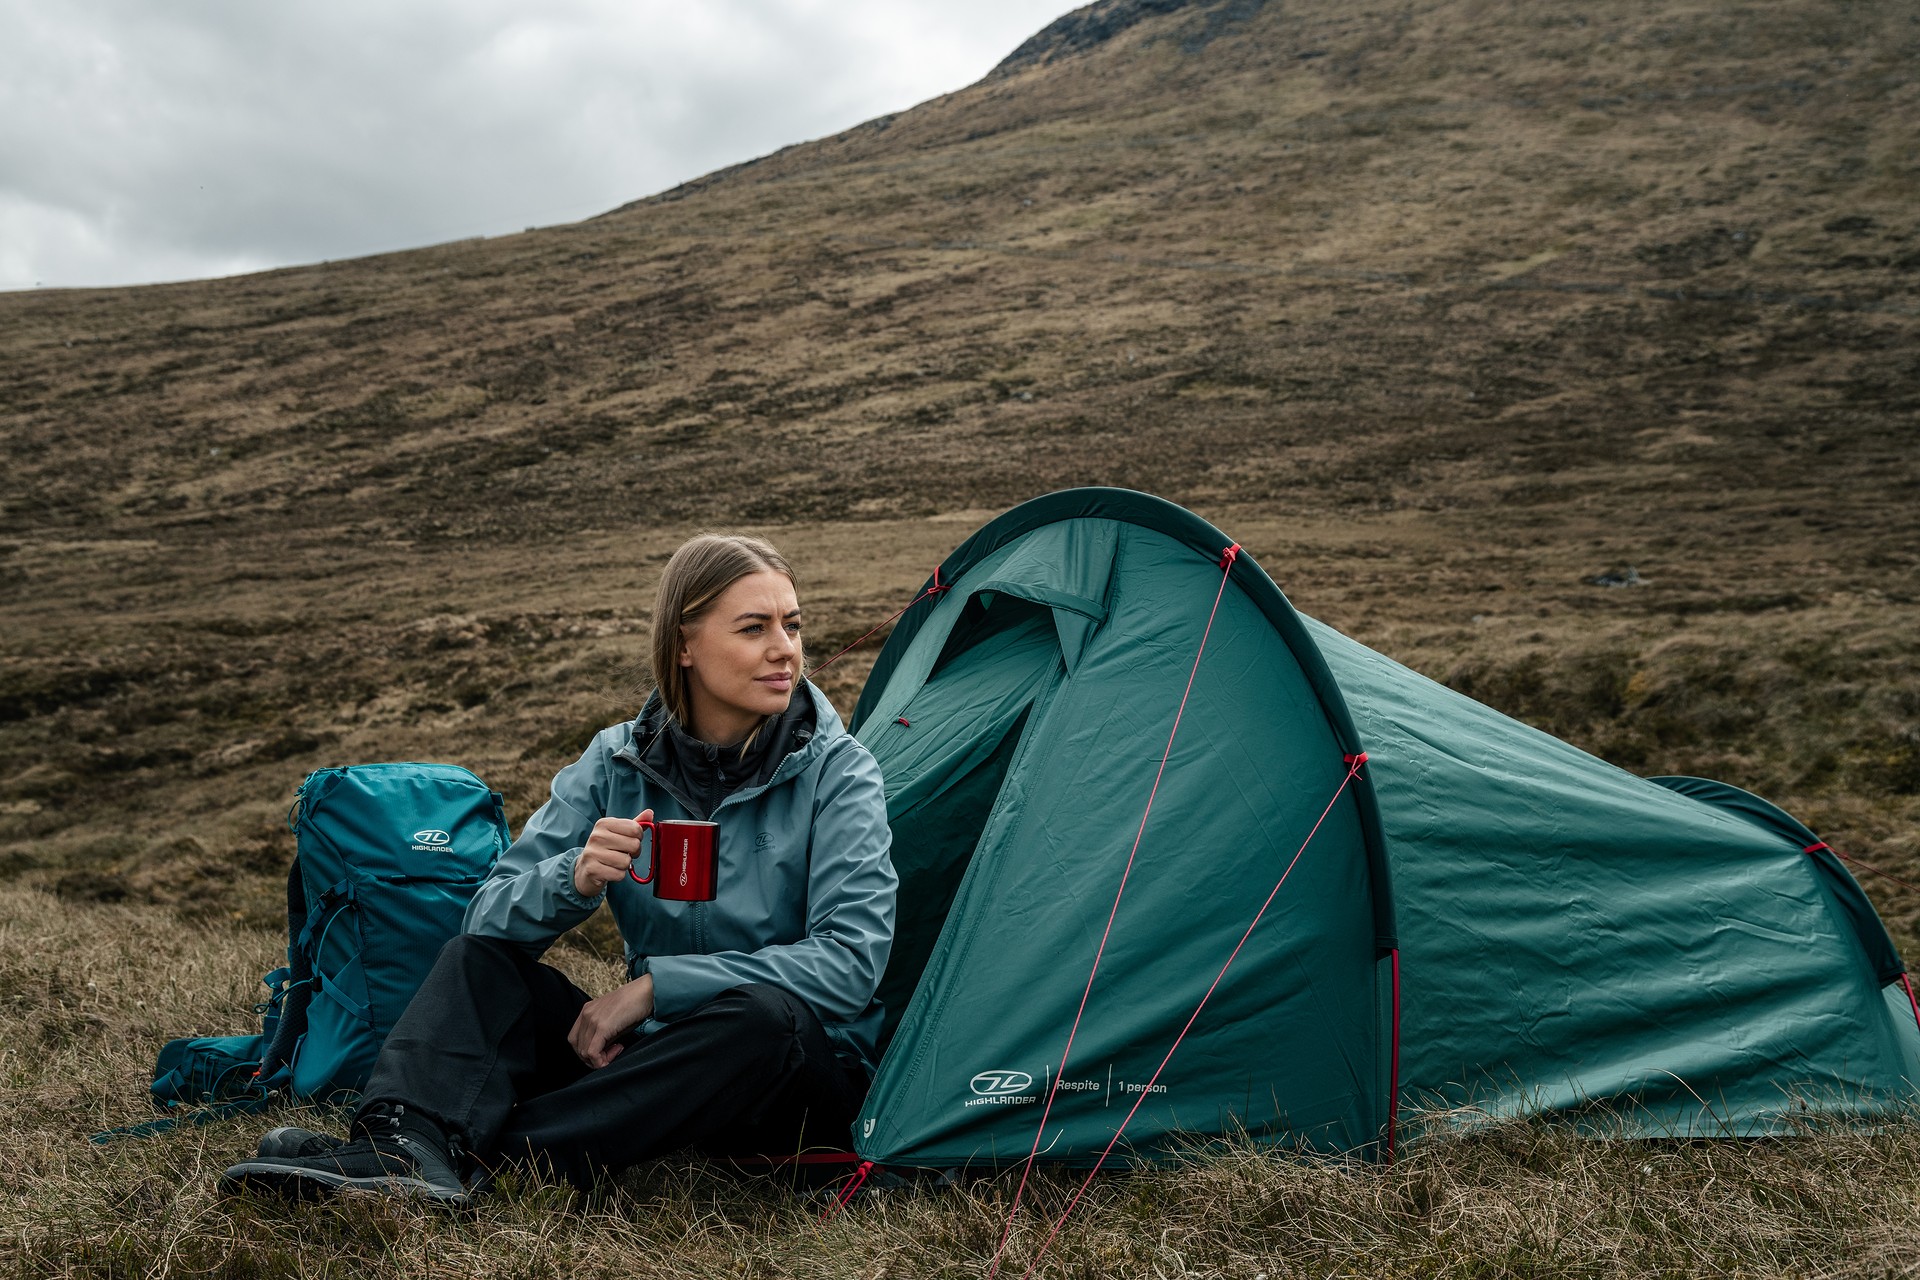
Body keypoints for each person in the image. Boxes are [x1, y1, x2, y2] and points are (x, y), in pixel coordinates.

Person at [220, 534, 897, 1203]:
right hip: (651, 1059)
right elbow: (488, 914)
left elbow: (849, 963)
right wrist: (573, 877)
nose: (786, 649)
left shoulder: (840, 772)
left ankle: (495, 1160)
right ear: (684, 646)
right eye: (755, 628)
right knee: (479, 963)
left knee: (763, 1019)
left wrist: (658, 988)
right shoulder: (617, 760)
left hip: (790, 1076)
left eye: (793, 624)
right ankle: (401, 1143)